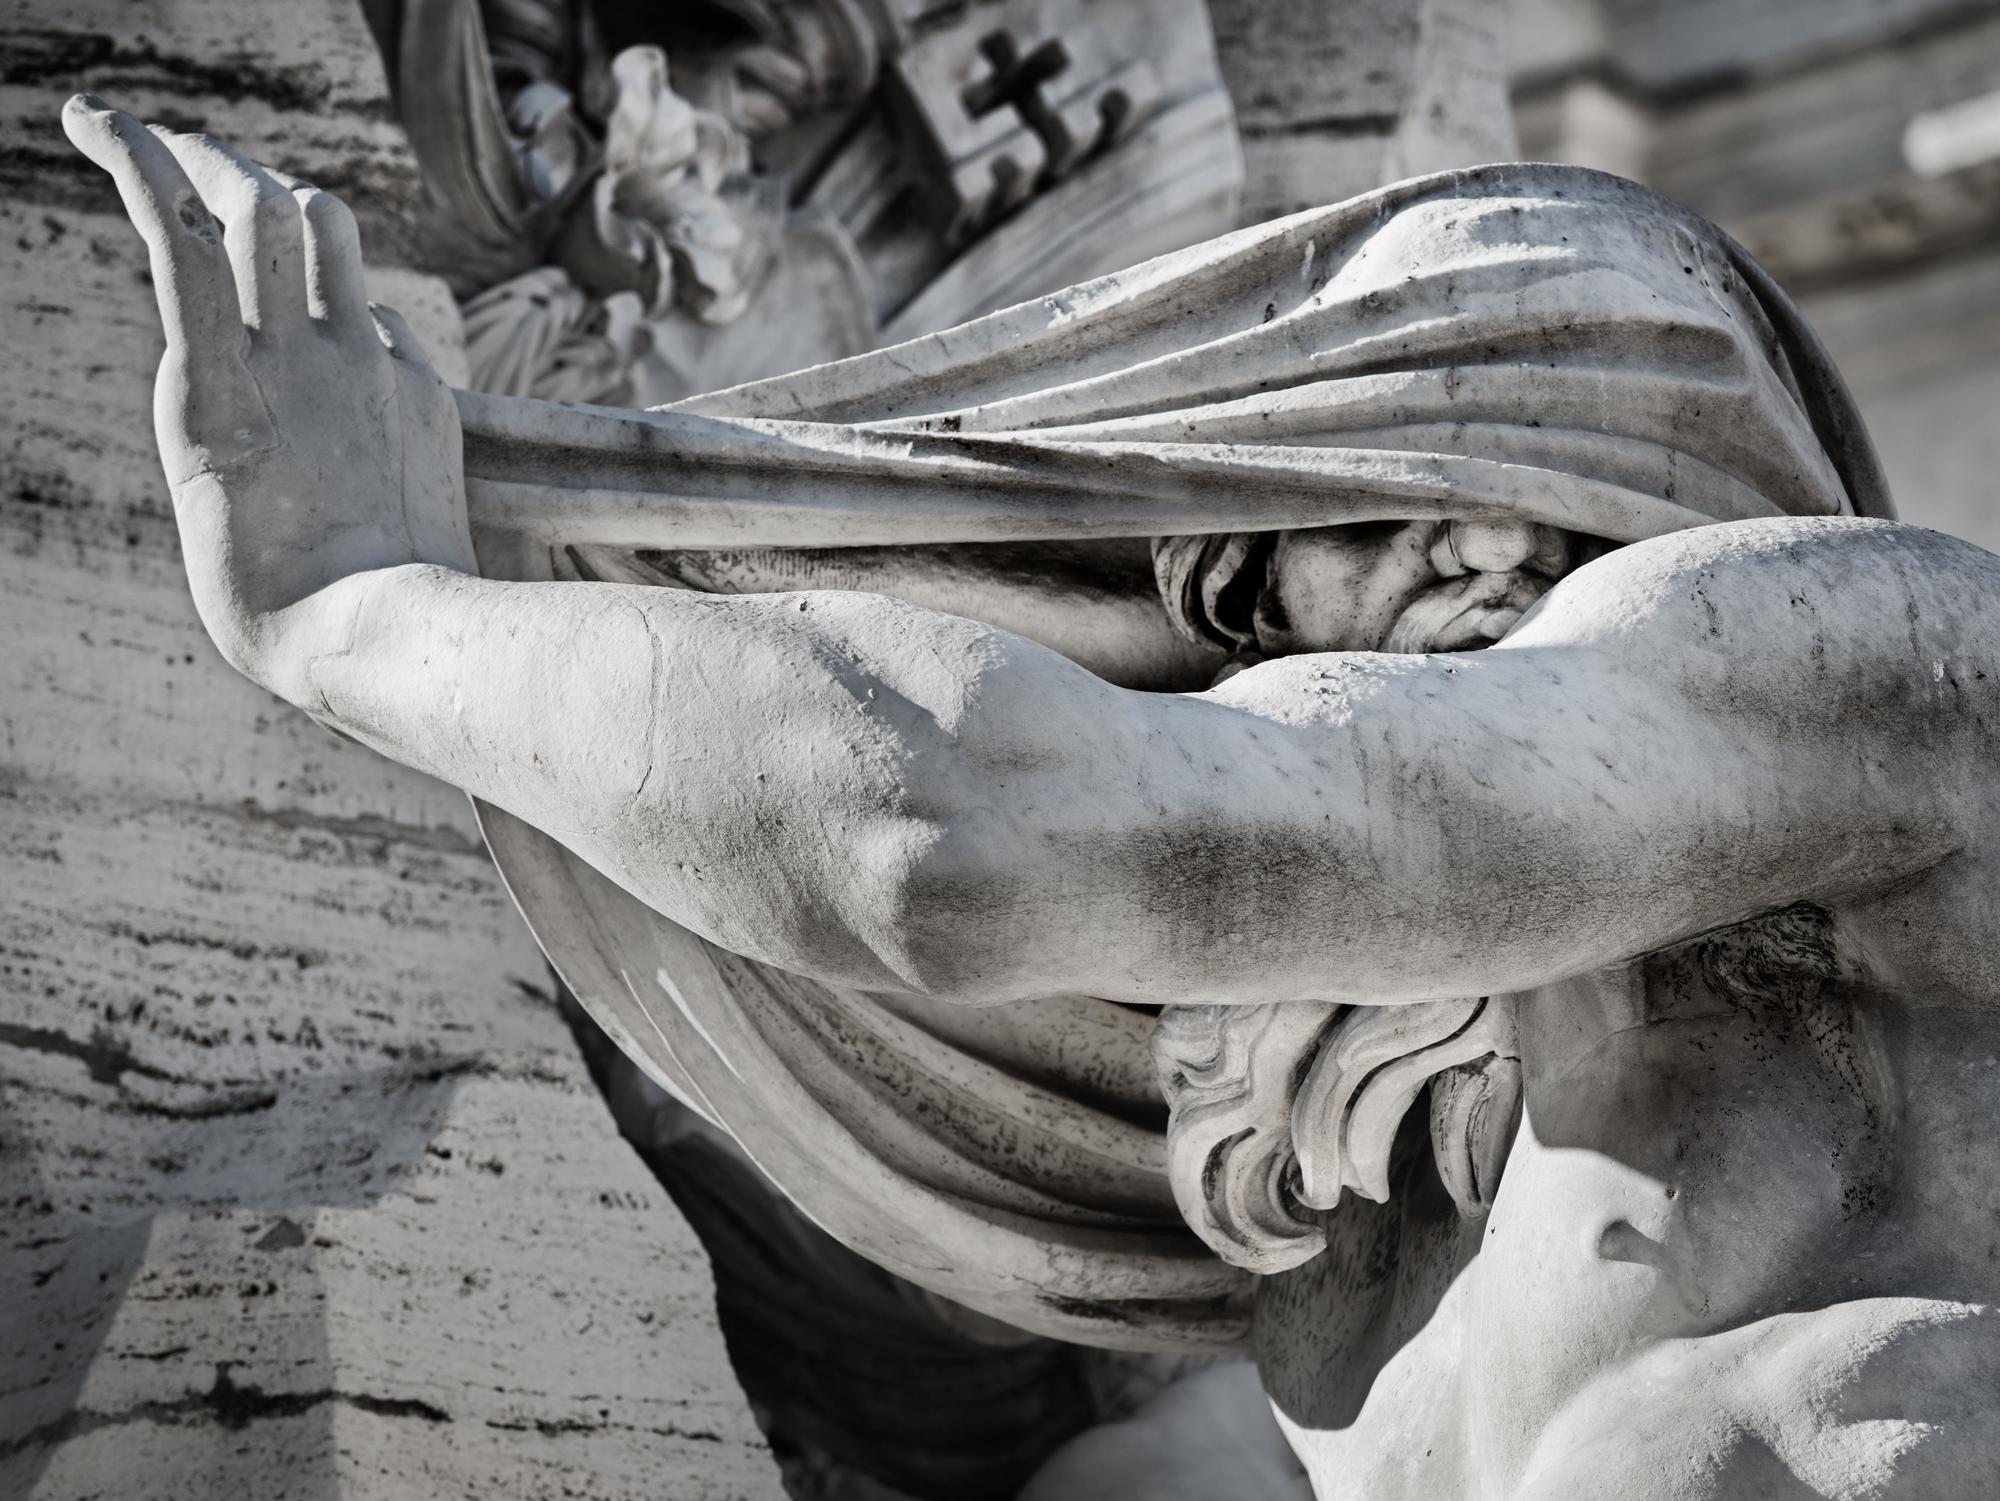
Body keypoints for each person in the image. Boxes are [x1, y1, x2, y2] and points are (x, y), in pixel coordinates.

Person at [64, 94, 2000, 1496]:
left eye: (1274, 575)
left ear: (1499, 511)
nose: (1235, 666)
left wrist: (360, 611)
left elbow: (964, 832)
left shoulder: (1868, 674)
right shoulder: (1355, 1276)